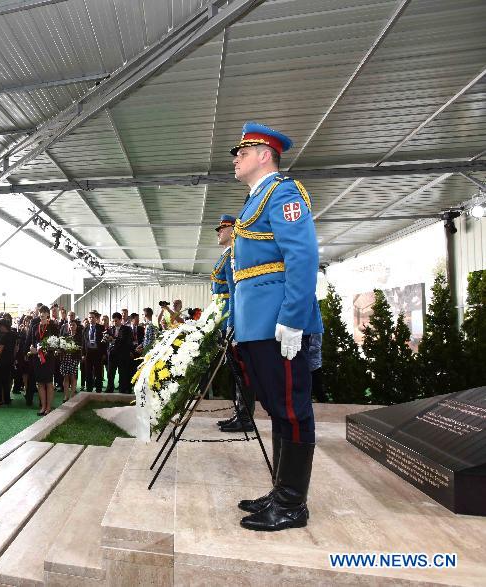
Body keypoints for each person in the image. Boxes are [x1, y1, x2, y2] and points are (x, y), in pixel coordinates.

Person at [227, 122, 322, 532]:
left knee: (292, 408)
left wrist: (293, 319)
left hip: (278, 322)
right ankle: (282, 490)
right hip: (256, 324)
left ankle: (292, 505)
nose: (236, 158)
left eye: (243, 152)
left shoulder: (282, 192)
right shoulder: (253, 202)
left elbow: (301, 256)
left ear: (264, 154)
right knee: (276, 408)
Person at [211, 214, 256, 434]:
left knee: (242, 373)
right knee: (236, 373)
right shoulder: (227, 255)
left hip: (233, 320)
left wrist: (233, 324)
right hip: (226, 319)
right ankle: (239, 414)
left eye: (222, 228)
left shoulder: (234, 255)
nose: (218, 231)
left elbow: (235, 291)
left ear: (233, 229)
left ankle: (245, 418)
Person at [29, 306, 60, 416]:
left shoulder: (53, 326)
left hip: (49, 358)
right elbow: (32, 342)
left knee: (48, 382)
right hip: (37, 358)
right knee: (40, 383)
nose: (41, 314)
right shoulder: (34, 327)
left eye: (44, 312)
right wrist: (32, 349)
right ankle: (43, 406)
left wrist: (48, 349)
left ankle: (48, 407)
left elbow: (56, 342)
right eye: (40, 312)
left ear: (48, 314)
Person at [104, 313, 132, 393]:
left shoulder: (127, 329)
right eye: (113, 321)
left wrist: (113, 339)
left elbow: (125, 341)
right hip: (112, 354)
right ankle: (109, 388)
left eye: (116, 321)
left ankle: (122, 389)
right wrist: (106, 339)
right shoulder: (110, 329)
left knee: (122, 373)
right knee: (110, 373)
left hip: (122, 355)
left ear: (120, 320)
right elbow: (107, 342)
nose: (114, 323)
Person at [0, 318, 15, 407]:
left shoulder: (4, 336)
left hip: (1, 361)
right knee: (6, 380)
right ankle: (6, 399)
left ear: (2, 326)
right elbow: (15, 348)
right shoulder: (13, 334)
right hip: (10, 360)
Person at [83, 310, 105, 392]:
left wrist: (103, 353)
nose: (91, 319)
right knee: (88, 371)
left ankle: (98, 388)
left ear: (96, 318)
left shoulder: (101, 328)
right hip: (88, 352)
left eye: (93, 317)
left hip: (98, 352)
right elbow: (83, 342)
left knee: (98, 371)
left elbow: (104, 343)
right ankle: (89, 388)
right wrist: (83, 354)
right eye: (89, 317)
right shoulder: (85, 329)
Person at [60, 320, 82, 402]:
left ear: (76, 326)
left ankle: (72, 395)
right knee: (65, 377)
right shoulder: (65, 335)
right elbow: (61, 345)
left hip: (74, 358)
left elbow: (80, 346)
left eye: (73, 325)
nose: (72, 326)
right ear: (68, 326)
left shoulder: (79, 335)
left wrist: (74, 347)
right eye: (70, 325)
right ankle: (66, 396)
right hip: (65, 358)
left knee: (73, 376)